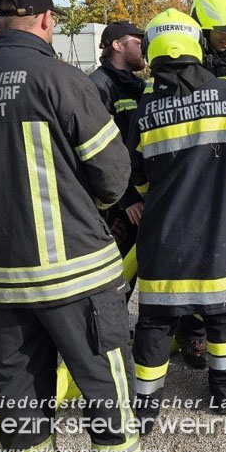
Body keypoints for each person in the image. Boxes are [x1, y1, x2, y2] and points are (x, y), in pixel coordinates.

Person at [0, 0, 170, 452]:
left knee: (21, 406)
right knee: (107, 393)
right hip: (78, 276)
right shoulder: (64, 81)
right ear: (46, 20)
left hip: (5, 284)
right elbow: (111, 177)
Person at [127, 9, 226, 428]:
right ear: (196, 45)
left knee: (156, 323)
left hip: (162, 239)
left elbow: (137, 180)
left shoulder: (142, 111)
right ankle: (224, 399)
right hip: (219, 235)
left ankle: (144, 410)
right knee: (224, 318)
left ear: (152, 51)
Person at [173, 0, 226, 370]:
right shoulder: (181, 65)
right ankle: (192, 334)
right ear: (201, 32)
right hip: (194, 177)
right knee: (191, 259)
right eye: (223, 36)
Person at [89, 21, 147, 302]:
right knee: (114, 272)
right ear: (117, 45)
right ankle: (104, 335)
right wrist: (126, 199)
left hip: (140, 194)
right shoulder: (98, 87)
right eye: (138, 42)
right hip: (118, 203)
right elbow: (99, 153)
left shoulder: (137, 86)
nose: (144, 47)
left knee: (134, 269)